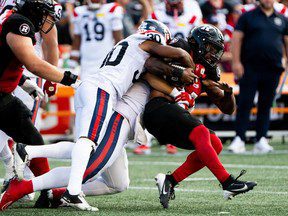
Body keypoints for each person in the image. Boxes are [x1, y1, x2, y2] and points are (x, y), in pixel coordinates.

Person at [142, 24, 257, 209]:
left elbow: (228, 110)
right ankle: (228, 183)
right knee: (201, 132)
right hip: (158, 110)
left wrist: (228, 94)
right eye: (211, 48)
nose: (214, 54)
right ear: (199, 44)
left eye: (216, 50)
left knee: (215, 144)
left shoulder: (209, 72)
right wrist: (178, 73)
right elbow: (149, 66)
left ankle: (170, 181)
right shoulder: (180, 50)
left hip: (174, 120)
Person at [0, 0, 79, 199]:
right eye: (47, 15)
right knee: (28, 136)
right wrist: (69, 78)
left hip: (3, 93)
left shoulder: (15, 20)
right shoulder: (19, 24)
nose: (49, 22)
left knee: (32, 139)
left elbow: (7, 59)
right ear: (36, 10)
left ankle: (48, 191)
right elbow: (33, 63)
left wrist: (24, 81)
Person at [228, 0, 288, 153]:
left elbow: (286, 41)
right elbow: (236, 39)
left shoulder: (282, 19)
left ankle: (261, 138)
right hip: (250, 68)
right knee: (245, 103)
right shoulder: (247, 17)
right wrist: (236, 62)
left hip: (273, 69)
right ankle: (239, 138)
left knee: (266, 104)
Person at [68, 0, 124, 80]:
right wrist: (72, 65)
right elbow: (77, 41)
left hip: (107, 62)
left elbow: (119, 41)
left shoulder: (112, 9)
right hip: (86, 64)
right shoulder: (79, 12)